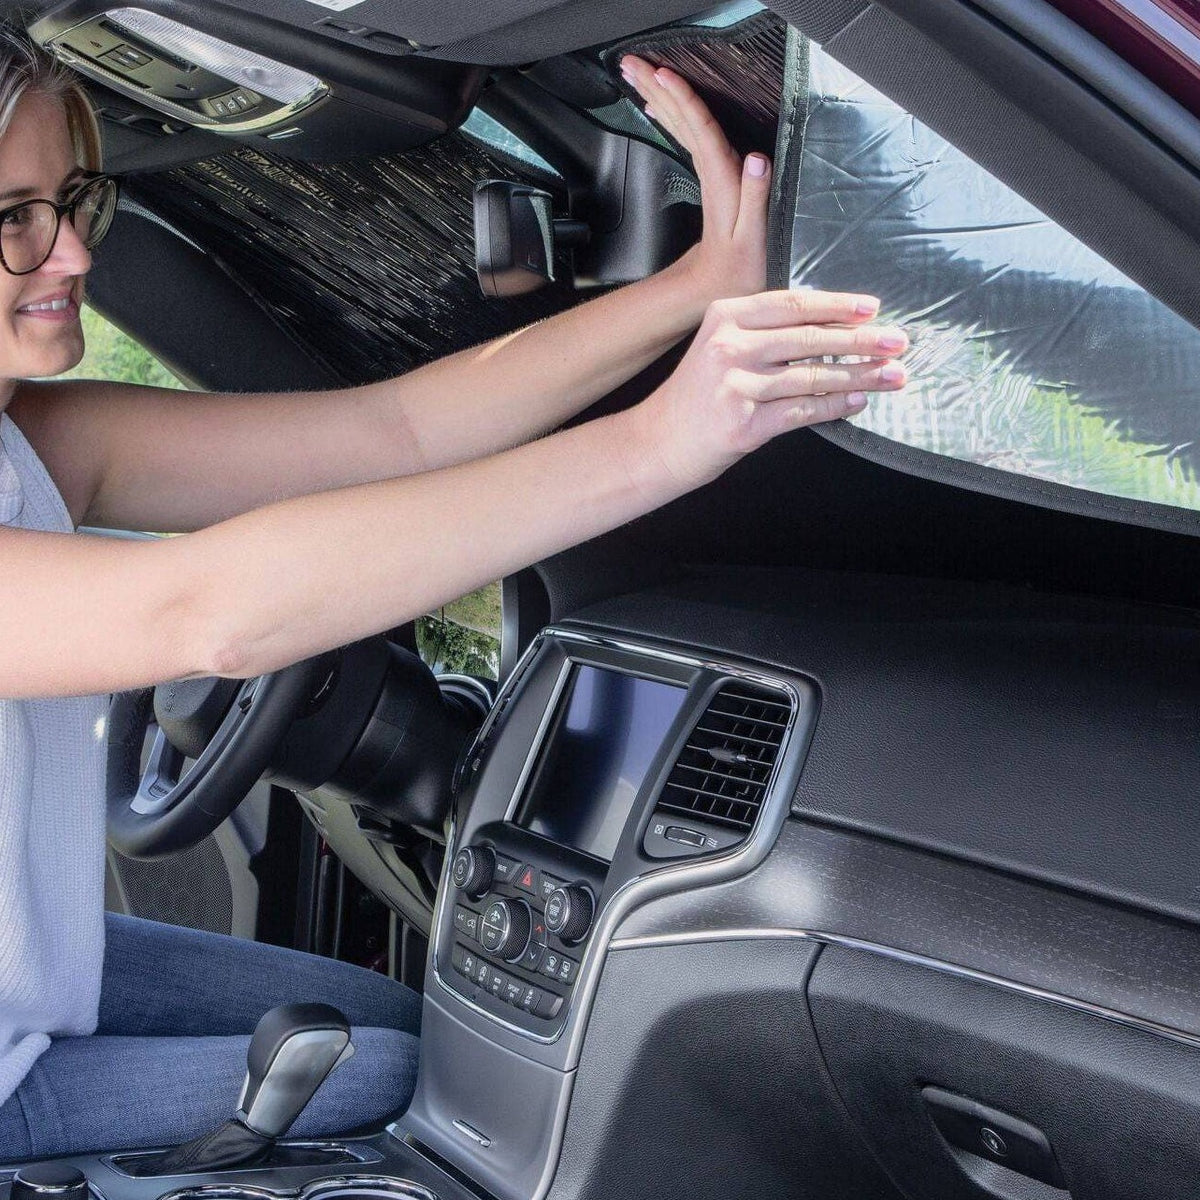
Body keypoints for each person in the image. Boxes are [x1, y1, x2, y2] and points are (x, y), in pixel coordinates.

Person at [0, 28, 908, 1161]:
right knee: (411, 1079)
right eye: (11, 221)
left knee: (398, 1025)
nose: (74, 256)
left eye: (71, 201)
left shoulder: (33, 437)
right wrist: (667, 443)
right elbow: (205, 615)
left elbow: (396, 431)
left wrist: (693, 289)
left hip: (25, 975)